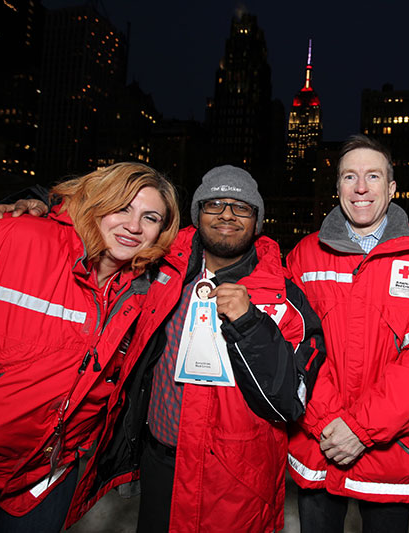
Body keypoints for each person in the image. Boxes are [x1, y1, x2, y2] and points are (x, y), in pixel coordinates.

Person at [54, 165, 324, 532]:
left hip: (233, 479)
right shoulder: (157, 269)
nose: (227, 214)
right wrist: (37, 203)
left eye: (241, 207)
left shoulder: (284, 297)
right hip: (158, 460)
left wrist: (249, 323)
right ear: (197, 214)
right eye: (215, 204)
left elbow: (289, 402)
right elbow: (96, 230)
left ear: (257, 221)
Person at [0, 162, 181, 533]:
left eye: (150, 217)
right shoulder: (15, 236)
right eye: (122, 207)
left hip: (46, 475)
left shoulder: (142, 290)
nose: (134, 226)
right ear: (95, 202)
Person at [286, 135, 409, 532]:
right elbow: (295, 345)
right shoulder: (305, 254)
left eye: (373, 176)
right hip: (319, 443)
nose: (361, 188)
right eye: (350, 177)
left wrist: (362, 428)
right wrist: (329, 422)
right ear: (338, 186)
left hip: (390, 450)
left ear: (392, 187)